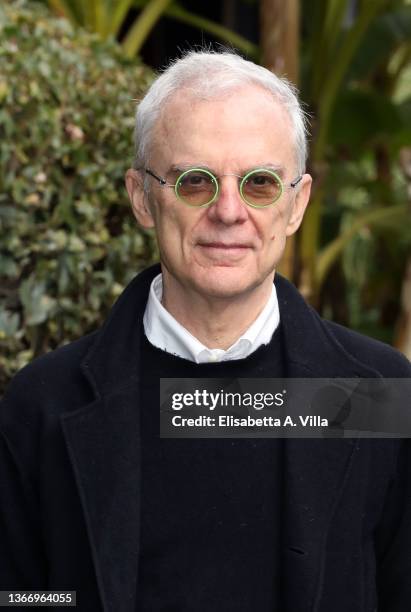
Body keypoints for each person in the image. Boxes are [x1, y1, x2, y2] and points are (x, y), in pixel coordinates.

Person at [1, 50, 410, 612]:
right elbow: (21, 597)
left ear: (296, 205)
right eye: (195, 182)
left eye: (260, 183)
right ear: (143, 197)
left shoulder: (378, 395)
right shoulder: (42, 405)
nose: (228, 211)